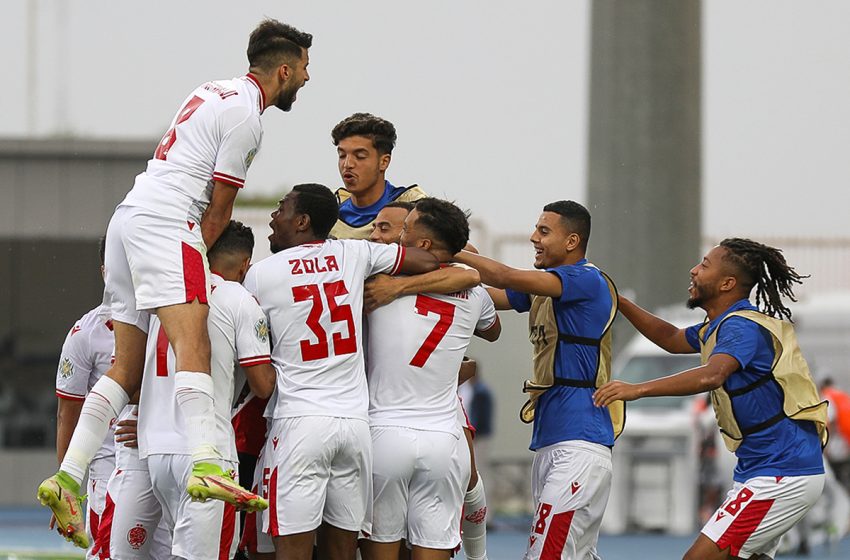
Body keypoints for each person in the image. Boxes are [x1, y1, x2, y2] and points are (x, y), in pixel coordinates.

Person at [38, 18, 311, 547]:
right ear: (284, 68)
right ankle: (208, 460)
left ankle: (69, 474)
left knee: (125, 363)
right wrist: (192, 265)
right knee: (195, 338)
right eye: (303, 69)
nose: (305, 78)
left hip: (127, 215)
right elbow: (220, 209)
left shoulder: (209, 89)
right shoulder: (247, 117)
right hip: (168, 223)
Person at [593, 238, 828, 560]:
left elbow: (711, 375)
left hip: (782, 473)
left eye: (704, 265)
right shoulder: (721, 325)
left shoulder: (741, 328)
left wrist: (637, 389)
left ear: (727, 283)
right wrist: (618, 301)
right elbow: (672, 339)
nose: (693, 270)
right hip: (766, 470)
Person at [242, 183, 439, 560]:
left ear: (302, 221)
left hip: (299, 421)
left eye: (281, 208)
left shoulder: (261, 275)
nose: (273, 215)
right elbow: (428, 261)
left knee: (291, 549)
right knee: (343, 551)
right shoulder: (355, 252)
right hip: (353, 425)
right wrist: (397, 287)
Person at [454, 200, 621, 560]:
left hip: (579, 443)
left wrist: (452, 249)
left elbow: (502, 276)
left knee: (545, 554)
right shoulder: (548, 286)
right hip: (551, 440)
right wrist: (438, 272)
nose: (533, 237)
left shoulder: (584, 278)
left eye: (544, 231)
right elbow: (490, 296)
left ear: (572, 241)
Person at [362, 198, 501, 560]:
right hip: (442, 441)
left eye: (405, 229)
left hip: (385, 433)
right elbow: (492, 327)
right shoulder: (476, 293)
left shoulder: (379, 281)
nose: (395, 237)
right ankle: (480, 553)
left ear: (423, 244)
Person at [139, 220, 276, 560]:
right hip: (207, 452)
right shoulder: (236, 297)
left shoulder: (166, 298)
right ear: (245, 264)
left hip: (157, 451)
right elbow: (262, 385)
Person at [53, 237, 116, 556]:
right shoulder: (86, 333)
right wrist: (67, 486)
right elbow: (68, 413)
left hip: (159, 452)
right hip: (108, 459)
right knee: (107, 548)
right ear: (104, 271)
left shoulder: (162, 320)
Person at [330, 113, 426, 240]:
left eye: (360, 156)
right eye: (342, 155)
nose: (347, 164)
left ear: (384, 162)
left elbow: (449, 250)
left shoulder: (414, 207)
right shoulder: (329, 208)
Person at [820, 377, 850, 488]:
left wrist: (824, 445)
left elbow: (828, 421)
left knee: (839, 475)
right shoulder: (842, 395)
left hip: (838, 444)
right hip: (847, 440)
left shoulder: (827, 396)